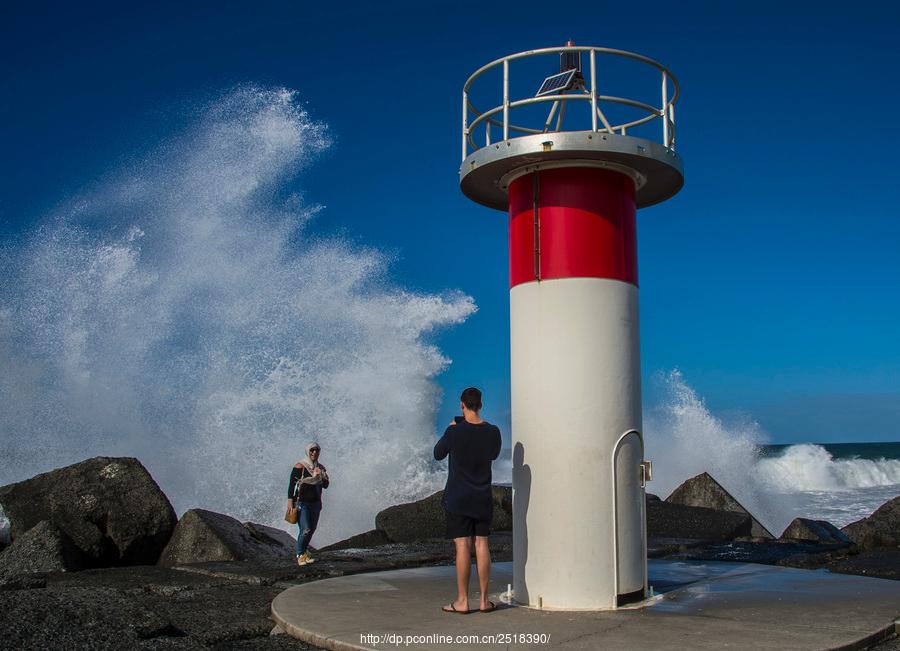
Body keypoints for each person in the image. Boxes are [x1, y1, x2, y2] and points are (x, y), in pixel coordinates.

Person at [433, 387, 502, 614]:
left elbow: (438, 453)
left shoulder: (455, 431)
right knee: (482, 544)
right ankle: (484, 600)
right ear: (480, 405)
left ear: (462, 405)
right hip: (482, 496)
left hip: (458, 497)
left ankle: (462, 601)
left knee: (462, 546)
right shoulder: (493, 431)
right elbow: (493, 454)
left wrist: (451, 430)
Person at [287, 442, 329, 566]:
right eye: (312, 450)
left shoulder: (320, 468)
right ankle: (300, 555)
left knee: (312, 530)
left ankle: (304, 552)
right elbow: (291, 485)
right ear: (307, 451)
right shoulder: (300, 466)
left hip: (316, 503)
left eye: (317, 450)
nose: (314, 453)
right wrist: (290, 502)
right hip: (302, 503)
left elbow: (326, 486)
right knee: (305, 529)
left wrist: (321, 475)